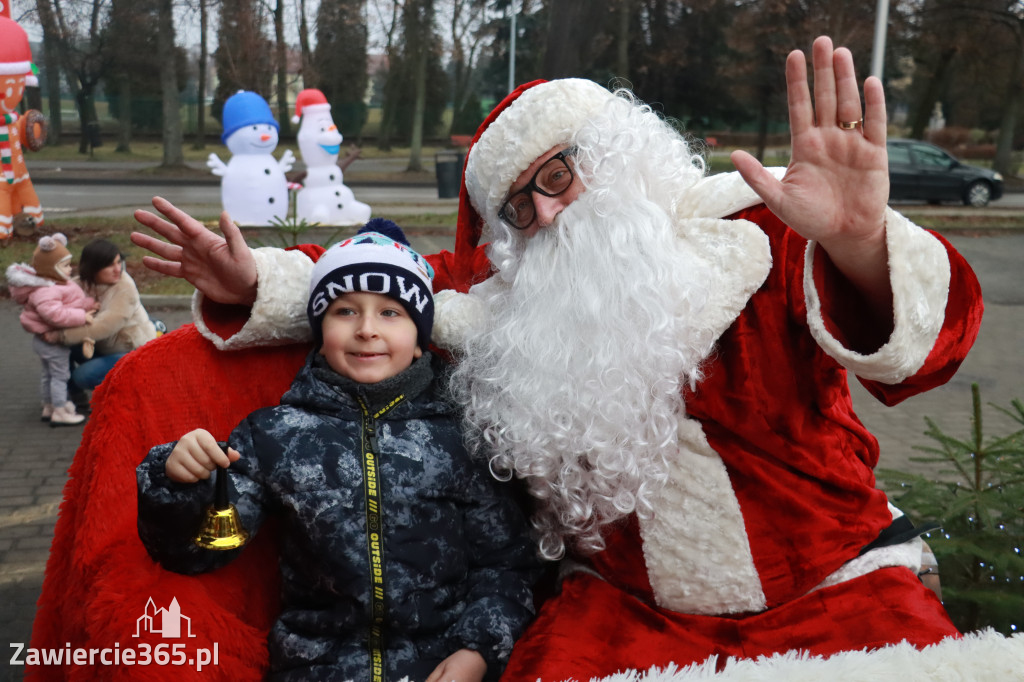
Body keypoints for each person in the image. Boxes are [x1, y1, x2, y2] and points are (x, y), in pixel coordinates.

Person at [132, 38, 1019, 678]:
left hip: (833, 586)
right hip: (627, 612)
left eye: (557, 176)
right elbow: (383, 281)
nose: (547, 215)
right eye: (519, 206)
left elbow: (922, 355)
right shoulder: (509, 302)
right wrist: (255, 280)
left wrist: (862, 243)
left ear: (619, 156)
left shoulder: (754, 228)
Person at [136, 219, 539, 682]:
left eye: (392, 313)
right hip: (314, 668)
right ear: (319, 329)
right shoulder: (274, 435)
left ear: (419, 336)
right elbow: (203, 550)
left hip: (439, 665)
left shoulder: (462, 434)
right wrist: (181, 483)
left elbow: (507, 564)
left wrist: (479, 649)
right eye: (345, 311)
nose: (367, 330)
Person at [6, 233, 95, 426]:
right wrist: (83, 316)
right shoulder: (47, 291)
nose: (70, 269)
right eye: (64, 265)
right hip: (51, 342)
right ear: (50, 269)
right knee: (60, 375)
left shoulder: (54, 284)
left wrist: (88, 304)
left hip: (43, 341)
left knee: (49, 375)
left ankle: (49, 405)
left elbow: (72, 302)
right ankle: (60, 409)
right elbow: (55, 315)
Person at [48, 239, 158, 393]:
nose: (117, 269)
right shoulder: (81, 284)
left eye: (119, 262)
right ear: (93, 268)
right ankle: (68, 399)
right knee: (58, 347)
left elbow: (103, 327)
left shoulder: (125, 288)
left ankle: (133, 392)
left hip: (133, 353)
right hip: (104, 347)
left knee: (83, 375)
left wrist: (60, 335)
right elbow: (52, 301)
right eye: (110, 265)